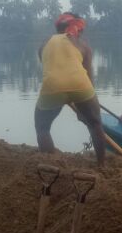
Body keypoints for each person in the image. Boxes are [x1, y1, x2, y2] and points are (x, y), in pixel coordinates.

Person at [34, 13, 107, 165]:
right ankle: (102, 165)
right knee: (95, 124)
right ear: (76, 29)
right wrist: (88, 107)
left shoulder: (45, 43)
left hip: (52, 87)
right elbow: (88, 76)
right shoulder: (83, 45)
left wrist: (67, 97)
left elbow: (51, 69)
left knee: (42, 127)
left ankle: (50, 164)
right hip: (81, 85)